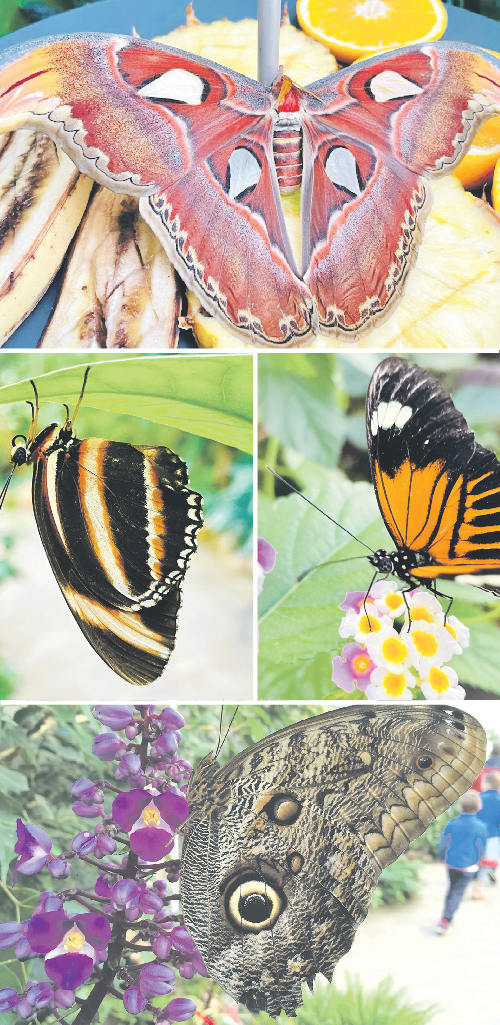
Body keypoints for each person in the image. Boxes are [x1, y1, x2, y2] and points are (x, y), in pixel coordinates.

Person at [436, 790, 487, 934]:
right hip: (469, 866)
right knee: (457, 893)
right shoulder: (480, 826)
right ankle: (445, 920)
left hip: (451, 863)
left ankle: (446, 917)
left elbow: (443, 843)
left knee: (452, 889)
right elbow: (482, 848)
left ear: (461, 806)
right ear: (478, 807)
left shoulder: (452, 823)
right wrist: (479, 860)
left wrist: (441, 857)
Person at [473, 770, 500, 898]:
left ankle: (478, 888)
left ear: (488, 784)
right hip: (494, 834)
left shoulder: (479, 798)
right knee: (491, 859)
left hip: (479, 834)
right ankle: (490, 871)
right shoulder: (499, 800)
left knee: (481, 861)